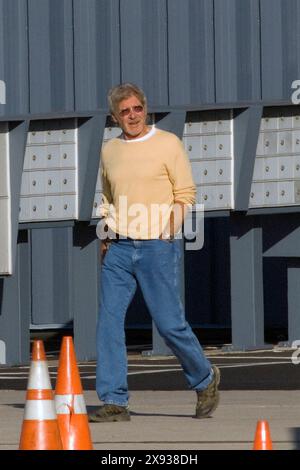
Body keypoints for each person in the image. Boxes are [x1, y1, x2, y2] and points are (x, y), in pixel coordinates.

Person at [88, 83, 220, 423]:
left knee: (169, 324)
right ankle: (115, 400)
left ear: (145, 109)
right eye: (124, 111)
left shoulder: (167, 144)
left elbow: (185, 193)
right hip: (117, 247)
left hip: (155, 246)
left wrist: (167, 232)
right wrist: (106, 235)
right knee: (109, 322)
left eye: (137, 109)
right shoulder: (110, 150)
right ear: (115, 116)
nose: (132, 116)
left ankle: (205, 378)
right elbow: (107, 197)